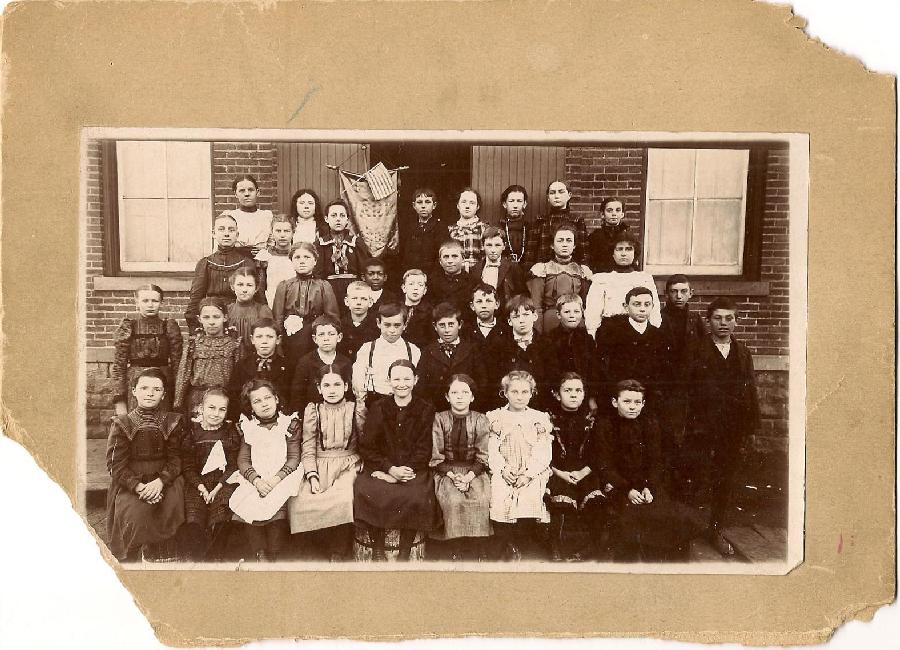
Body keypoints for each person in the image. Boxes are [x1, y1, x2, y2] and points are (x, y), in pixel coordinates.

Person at [592, 380, 698, 561]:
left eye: (637, 402)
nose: (632, 407)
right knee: (632, 517)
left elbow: (656, 462)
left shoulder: (650, 424)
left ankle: (666, 565)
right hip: (619, 486)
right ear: (614, 402)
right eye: (626, 402)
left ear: (643, 404)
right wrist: (628, 490)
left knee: (674, 517)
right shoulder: (605, 425)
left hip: (646, 486)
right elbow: (604, 465)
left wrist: (650, 487)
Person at [686, 297, 761, 556]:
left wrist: (751, 428)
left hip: (732, 428)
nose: (723, 323)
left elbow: (750, 390)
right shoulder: (695, 350)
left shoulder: (743, 352)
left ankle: (715, 529)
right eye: (718, 318)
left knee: (725, 480)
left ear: (736, 322)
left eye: (729, 318)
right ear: (708, 321)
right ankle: (686, 530)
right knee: (695, 478)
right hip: (701, 427)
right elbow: (684, 391)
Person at [353, 360, 440, 561]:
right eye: (397, 378)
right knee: (368, 490)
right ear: (389, 381)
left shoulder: (425, 409)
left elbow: (424, 447)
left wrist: (405, 470)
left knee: (416, 495)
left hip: (413, 468)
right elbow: (367, 446)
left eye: (407, 378)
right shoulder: (379, 407)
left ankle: (404, 551)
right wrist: (389, 469)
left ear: (415, 380)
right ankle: (377, 549)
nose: (402, 383)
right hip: (382, 466)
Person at [105, 368, 185, 562]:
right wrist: (138, 487)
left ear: (164, 394)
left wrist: (160, 482)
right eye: (144, 388)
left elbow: (175, 459)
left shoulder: (172, 421)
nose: (150, 393)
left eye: (157, 389)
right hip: (132, 481)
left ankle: (163, 554)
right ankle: (135, 555)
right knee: (135, 515)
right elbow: (115, 465)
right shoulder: (122, 423)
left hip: (164, 478)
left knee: (172, 507)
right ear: (134, 391)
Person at [288, 367, 363, 561]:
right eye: (326, 385)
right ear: (319, 388)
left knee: (343, 498)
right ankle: (310, 550)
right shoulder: (314, 410)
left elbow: (366, 441)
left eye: (337, 384)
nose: (332, 390)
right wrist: (312, 475)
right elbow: (308, 446)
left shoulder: (354, 409)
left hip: (348, 463)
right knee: (299, 499)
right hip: (319, 463)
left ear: (346, 386)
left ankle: (337, 551)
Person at [227, 379, 304, 562]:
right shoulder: (249, 427)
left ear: (276, 399)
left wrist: (275, 480)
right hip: (257, 477)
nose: (264, 404)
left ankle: (274, 554)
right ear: (251, 407)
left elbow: (294, 458)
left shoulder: (289, 424)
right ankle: (260, 554)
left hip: (283, 477)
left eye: (267, 398)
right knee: (249, 505)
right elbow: (243, 460)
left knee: (277, 509)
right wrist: (257, 480)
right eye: (257, 401)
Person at [486, 371, 553, 561]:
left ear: (532, 393)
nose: (519, 396)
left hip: (530, 470)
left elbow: (543, 450)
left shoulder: (539, 418)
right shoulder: (495, 417)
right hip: (504, 469)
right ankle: (506, 544)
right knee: (499, 495)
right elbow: (491, 448)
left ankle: (522, 544)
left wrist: (529, 473)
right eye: (514, 391)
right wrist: (502, 469)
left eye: (525, 392)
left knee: (529, 496)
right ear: (505, 393)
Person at [429, 375, 492, 560]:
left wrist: (468, 477)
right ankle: (455, 549)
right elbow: (436, 456)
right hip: (446, 472)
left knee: (480, 499)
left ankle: (476, 550)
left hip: (474, 472)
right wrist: (453, 476)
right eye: (454, 392)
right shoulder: (439, 419)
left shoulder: (481, 419)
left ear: (472, 397)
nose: (459, 397)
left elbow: (482, 455)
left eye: (465, 392)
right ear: (447, 397)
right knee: (453, 501)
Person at [178, 388, 241, 562]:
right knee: (193, 519)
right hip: (197, 483)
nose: (216, 414)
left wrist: (218, 487)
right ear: (201, 408)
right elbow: (188, 466)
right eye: (211, 408)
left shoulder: (230, 432)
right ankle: (199, 561)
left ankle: (215, 559)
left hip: (224, 482)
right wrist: (202, 488)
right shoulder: (192, 433)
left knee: (220, 519)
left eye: (222, 409)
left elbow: (233, 465)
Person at [545, 373, 603, 561]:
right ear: (557, 394)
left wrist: (584, 472)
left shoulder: (592, 419)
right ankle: (557, 548)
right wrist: (559, 472)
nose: (573, 395)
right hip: (557, 470)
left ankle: (589, 548)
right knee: (560, 502)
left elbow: (599, 451)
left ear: (584, 394)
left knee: (595, 501)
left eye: (578, 390)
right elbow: (543, 451)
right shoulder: (548, 418)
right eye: (567, 390)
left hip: (585, 470)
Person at [658, 274, 707, 487]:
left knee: (687, 434)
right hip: (665, 386)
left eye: (683, 291)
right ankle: (666, 481)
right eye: (674, 291)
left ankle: (684, 481)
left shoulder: (695, 321)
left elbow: (704, 353)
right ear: (666, 294)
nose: (679, 296)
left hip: (689, 386)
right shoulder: (658, 318)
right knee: (665, 433)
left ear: (690, 293)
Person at [111, 284, 183, 415]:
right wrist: (119, 400)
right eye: (145, 301)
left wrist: (178, 397)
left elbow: (178, 365)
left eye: (155, 301)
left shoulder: (169, 327)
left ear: (161, 302)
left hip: (163, 383)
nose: (150, 305)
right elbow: (119, 366)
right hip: (136, 382)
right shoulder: (128, 327)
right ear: (137, 302)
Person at [185, 214, 261, 332]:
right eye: (221, 229)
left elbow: (258, 297)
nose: (226, 234)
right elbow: (195, 298)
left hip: (240, 319)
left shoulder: (246, 262)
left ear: (237, 235)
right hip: (213, 319)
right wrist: (194, 329)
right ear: (214, 234)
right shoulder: (206, 263)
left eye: (231, 230)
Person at [593, 287, 667, 407]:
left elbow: (662, 370)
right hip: (618, 396)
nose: (642, 309)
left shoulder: (658, 335)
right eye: (637, 304)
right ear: (626, 306)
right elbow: (602, 367)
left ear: (652, 306)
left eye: (647, 304)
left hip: (647, 397)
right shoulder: (612, 333)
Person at [271, 241, 340, 365]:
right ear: (291, 261)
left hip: (315, 338)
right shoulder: (285, 286)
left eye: (307, 257)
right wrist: (279, 343)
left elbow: (332, 317)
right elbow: (277, 318)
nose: (302, 261)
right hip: (290, 338)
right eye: (297, 257)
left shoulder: (323, 286)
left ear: (315, 261)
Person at [174, 298, 241, 419]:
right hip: (197, 399)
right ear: (199, 319)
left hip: (224, 400)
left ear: (225, 318)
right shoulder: (193, 344)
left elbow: (239, 378)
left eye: (216, 317)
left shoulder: (234, 345)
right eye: (206, 317)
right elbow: (183, 375)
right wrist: (178, 403)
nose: (211, 322)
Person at [584, 232, 661, 336]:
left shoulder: (644, 279)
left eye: (629, 249)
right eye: (619, 249)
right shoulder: (601, 280)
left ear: (635, 253)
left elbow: (654, 311)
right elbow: (592, 315)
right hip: (610, 332)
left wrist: (652, 335)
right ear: (613, 253)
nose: (624, 253)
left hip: (639, 332)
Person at [414, 302, 486, 410]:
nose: (447, 330)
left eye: (451, 324)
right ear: (434, 326)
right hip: (437, 410)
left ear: (460, 324)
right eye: (442, 325)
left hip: (467, 409)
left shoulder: (472, 350)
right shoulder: (428, 352)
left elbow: (482, 382)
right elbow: (421, 387)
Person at [351, 303, 421, 409]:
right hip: (374, 403)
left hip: (404, 404)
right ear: (378, 323)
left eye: (397, 325)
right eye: (387, 325)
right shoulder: (367, 349)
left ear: (405, 325)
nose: (392, 330)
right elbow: (358, 381)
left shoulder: (413, 350)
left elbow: (416, 382)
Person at [485, 295, 549, 410]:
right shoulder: (499, 345)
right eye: (516, 316)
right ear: (509, 321)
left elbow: (548, 379)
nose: (521, 320)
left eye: (526, 315)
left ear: (535, 316)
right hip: (506, 404)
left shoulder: (545, 344)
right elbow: (493, 379)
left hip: (537, 405)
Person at [527, 223, 592, 334]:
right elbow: (536, 305)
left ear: (574, 245)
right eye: (560, 240)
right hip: (551, 319)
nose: (565, 244)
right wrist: (538, 332)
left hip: (576, 319)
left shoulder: (582, 271)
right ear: (552, 245)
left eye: (569, 240)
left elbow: (586, 304)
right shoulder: (542, 269)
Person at [228, 318, 292, 419]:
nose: (264, 341)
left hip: (280, 418)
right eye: (259, 337)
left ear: (278, 339)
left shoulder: (288, 366)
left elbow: (292, 396)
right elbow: (233, 395)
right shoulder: (242, 365)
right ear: (252, 339)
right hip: (249, 418)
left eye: (270, 337)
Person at [288, 315, 352, 415]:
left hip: (341, 414)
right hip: (313, 416)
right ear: (315, 339)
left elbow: (350, 394)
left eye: (331, 334)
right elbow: (298, 395)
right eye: (321, 334)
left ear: (339, 337)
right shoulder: (305, 362)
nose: (326, 338)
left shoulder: (345, 362)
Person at [543, 294, 597, 412]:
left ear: (582, 313)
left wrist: (591, 397)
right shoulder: (549, 339)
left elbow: (593, 370)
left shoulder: (587, 340)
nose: (572, 316)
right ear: (558, 314)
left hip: (582, 395)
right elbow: (549, 371)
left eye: (576, 311)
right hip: (557, 396)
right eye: (567, 312)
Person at [314, 199, 370, 305]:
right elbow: (318, 273)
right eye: (334, 215)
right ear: (326, 219)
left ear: (347, 219)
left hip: (353, 289)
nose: (338, 219)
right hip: (329, 290)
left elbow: (363, 270)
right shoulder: (320, 244)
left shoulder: (356, 242)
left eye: (342, 215)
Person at [522, 180, 588, 269]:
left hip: (570, 273)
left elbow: (583, 253)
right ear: (548, 198)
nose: (556, 196)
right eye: (552, 193)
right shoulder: (540, 221)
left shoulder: (576, 221)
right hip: (543, 273)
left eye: (561, 192)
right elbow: (530, 254)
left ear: (569, 195)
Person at [471, 226, 527, 310]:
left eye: (497, 245)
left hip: (505, 313)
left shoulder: (512, 267)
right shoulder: (476, 268)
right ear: (483, 246)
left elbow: (521, 294)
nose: (493, 250)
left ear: (504, 246)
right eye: (489, 245)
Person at [225, 267, 273, 359]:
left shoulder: (262, 310)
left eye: (249, 285)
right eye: (240, 284)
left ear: (256, 288)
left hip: (254, 360)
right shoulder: (227, 311)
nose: (244, 289)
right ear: (232, 286)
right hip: (230, 359)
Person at [221, 175, 274, 255]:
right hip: (235, 263)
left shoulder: (267, 216)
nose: (246, 194)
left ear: (258, 192)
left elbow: (273, 244)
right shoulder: (229, 217)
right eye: (242, 191)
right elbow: (219, 246)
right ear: (235, 194)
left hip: (262, 263)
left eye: (250, 190)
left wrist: (265, 252)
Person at [398, 187, 445, 276]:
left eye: (427, 202)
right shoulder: (408, 228)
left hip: (432, 275)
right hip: (410, 273)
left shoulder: (440, 228)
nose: (423, 206)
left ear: (434, 205)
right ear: (414, 206)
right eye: (419, 202)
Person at [255, 214, 297, 310]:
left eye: (286, 231)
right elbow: (261, 287)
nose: (282, 235)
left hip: (295, 301)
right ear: (272, 232)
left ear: (293, 233)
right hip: (271, 301)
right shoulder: (265, 256)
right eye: (278, 231)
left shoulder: (298, 255)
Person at [586, 197, 633, 273]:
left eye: (618, 210)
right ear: (602, 214)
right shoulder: (595, 237)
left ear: (622, 214)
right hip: (602, 276)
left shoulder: (628, 236)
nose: (614, 214)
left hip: (624, 274)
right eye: (609, 210)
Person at [447, 187, 488, 272]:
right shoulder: (450, 230)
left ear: (477, 207)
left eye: (472, 203)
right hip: (456, 274)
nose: (467, 206)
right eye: (463, 202)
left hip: (478, 274)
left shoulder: (484, 229)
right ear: (458, 205)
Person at [429, 240, 476, 313]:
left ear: (463, 259)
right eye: (446, 257)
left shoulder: (473, 282)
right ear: (440, 261)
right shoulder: (432, 282)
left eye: (454, 256)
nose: (450, 261)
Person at [338, 281, 379, 360]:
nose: (358, 303)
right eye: (354, 298)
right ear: (346, 301)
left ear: (370, 302)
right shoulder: (339, 325)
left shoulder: (376, 326)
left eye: (363, 299)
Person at [466, 282, 509, 349]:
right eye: (479, 301)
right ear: (472, 306)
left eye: (488, 301)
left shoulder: (506, 331)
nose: (484, 306)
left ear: (497, 304)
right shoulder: (466, 331)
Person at [399, 268, 433, 348]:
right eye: (411, 284)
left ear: (425, 290)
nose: (416, 288)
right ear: (404, 288)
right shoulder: (395, 308)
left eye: (420, 285)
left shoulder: (430, 312)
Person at [498, 184, 529, 264]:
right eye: (511, 201)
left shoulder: (530, 228)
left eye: (519, 201)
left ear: (525, 204)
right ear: (504, 204)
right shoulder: (498, 228)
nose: (515, 205)